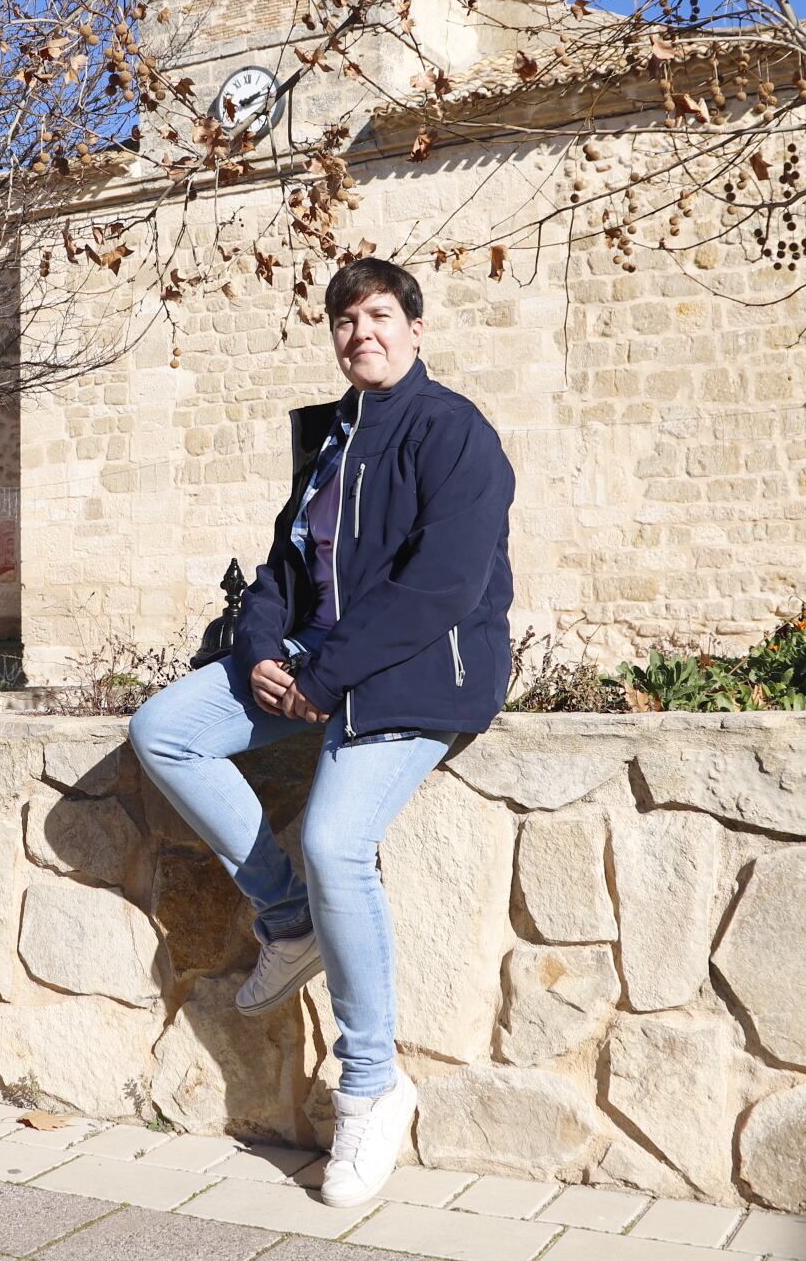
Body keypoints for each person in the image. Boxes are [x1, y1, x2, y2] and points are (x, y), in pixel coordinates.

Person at [128, 257, 515, 1207]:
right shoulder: (333, 439)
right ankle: (286, 918)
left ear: (415, 328)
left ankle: (373, 1086)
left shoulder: (454, 432)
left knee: (340, 842)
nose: (361, 334)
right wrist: (263, 648)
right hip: (314, 668)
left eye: (379, 315)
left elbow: (442, 589)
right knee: (166, 727)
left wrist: (321, 676)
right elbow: (276, 570)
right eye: (345, 320)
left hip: (422, 676)